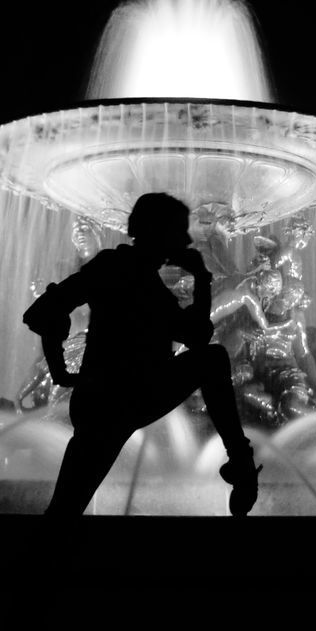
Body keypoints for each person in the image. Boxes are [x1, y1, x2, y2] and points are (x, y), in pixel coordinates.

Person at [23, 193, 261, 517]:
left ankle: (241, 463)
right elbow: (43, 312)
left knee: (65, 508)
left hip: (119, 397)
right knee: (65, 509)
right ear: (158, 231)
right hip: (117, 401)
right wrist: (60, 371)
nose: (187, 239)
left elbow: (196, 336)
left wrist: (61, 370)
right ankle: (241, 464)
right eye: (179, 230)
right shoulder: (115, 267)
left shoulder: (126, 270)